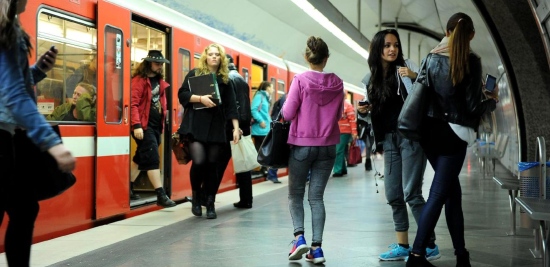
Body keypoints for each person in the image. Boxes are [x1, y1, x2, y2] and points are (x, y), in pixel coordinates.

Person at [406, 13, 498, 267]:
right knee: (437, 194)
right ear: (471, 36)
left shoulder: (431, 57)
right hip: (453, 136)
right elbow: (470, 107)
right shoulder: (472, 61)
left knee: (451, 193)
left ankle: (461, 255)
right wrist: (491, 100)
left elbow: (422, 94)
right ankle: (416, 256)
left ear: (446, 33)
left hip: (429, 134)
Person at [0, 0, 76, 265]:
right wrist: (52, 143)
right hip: (3, 137)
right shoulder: (6, 27)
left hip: (8, 136)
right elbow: (13, 94)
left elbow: (9, 83)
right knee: (23, 209)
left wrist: (38, 71)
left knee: (23, 208)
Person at [356, 29, 440, 262]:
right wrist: (363, 110)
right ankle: (403, 245)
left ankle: (429, 244)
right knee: (394, 194)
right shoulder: (371, 79)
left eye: (395, 45)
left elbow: (427, 97)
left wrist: (415, 77)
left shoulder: (408, 67)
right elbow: (372, 113)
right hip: (390, 141)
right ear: (378, 50)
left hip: (411, 138)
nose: (392, 49)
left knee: (411, 193)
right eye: (387, 46)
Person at [283, 36, 344, 265]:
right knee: (316, 198)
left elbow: (288, 114)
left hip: (302, 145)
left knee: (295, 194)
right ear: (326, 58)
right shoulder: (338, 83)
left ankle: (299, 239)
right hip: (328, 146)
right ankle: (316, 249)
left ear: (306, 57)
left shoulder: (300, 80)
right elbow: (338, 115)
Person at [178, 43, 239, 219]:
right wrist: (200, 99)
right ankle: (197, 196)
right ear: (205, 57)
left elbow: (231, 106)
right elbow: (182, 94)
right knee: (199, 161)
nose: (213, 57)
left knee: (213, 164)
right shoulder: (194, 75)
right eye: (210, 54)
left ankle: (210, 202)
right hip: (196, 125)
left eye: (217, 54)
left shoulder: (226, 80)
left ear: (221, 58)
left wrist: (235, 128)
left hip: (217, 126)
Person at [129, 50, 176, 208]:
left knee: (140, 157)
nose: (160, 66)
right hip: (144, 126)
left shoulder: (159, 80)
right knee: (152, 158)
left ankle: (128, 187)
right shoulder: (139, 80)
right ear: (149, 63)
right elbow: (133, 103)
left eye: (161, 64)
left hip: (156, 126)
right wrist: (136, 125)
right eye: (157, 64)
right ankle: (160, 195)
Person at [217, 54, 254, 209]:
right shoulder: (242, 80)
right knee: (243, 163)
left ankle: (207, 196)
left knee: (218, 163)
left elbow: (230, 105)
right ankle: (246, 199)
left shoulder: (228, 79)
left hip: (230, 127)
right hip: (243, 126)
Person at [250, 81, 273, 178]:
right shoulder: (260, 96)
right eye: (272, 87)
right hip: (259, 129)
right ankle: (259, 169)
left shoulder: (265, 97)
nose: (273, 89)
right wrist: (261, 121)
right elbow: (253, 109)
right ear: (267, 88)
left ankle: (262, 169)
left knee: (262, 149)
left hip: (264, 129)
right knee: (261, 150)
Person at [332, 97, 357, 177]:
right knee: (340, 150)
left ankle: (337, 170)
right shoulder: (334, 104)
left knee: (338, 150)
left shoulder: (348, 105)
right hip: (335, 131)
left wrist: (354, 132)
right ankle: (343, 169)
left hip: (345, 132)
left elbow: (352, 120)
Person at [265, 94, 286, 183]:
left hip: (283, 128)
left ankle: (271, 174)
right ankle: (272, 174)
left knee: (279, 152)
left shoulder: (285, 96)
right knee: (280, 152)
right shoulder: (288, 97)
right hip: (286, 129)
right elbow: (286, 113)